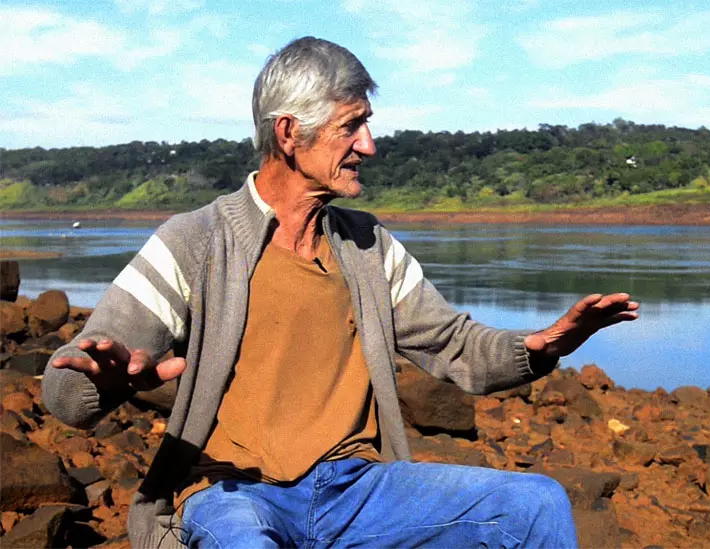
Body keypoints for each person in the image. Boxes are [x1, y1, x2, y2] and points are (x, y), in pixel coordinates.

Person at [43, 37, 639, 549]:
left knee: (535, 504)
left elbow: (453, 345)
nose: (369, 144)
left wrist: (543, 344)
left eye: (366, 124)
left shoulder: (367, 245)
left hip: (357, 490)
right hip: (231, 492)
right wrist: (104, 383)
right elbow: (68, 390)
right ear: (288, 133)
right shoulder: (195, 242)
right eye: (351, 126)